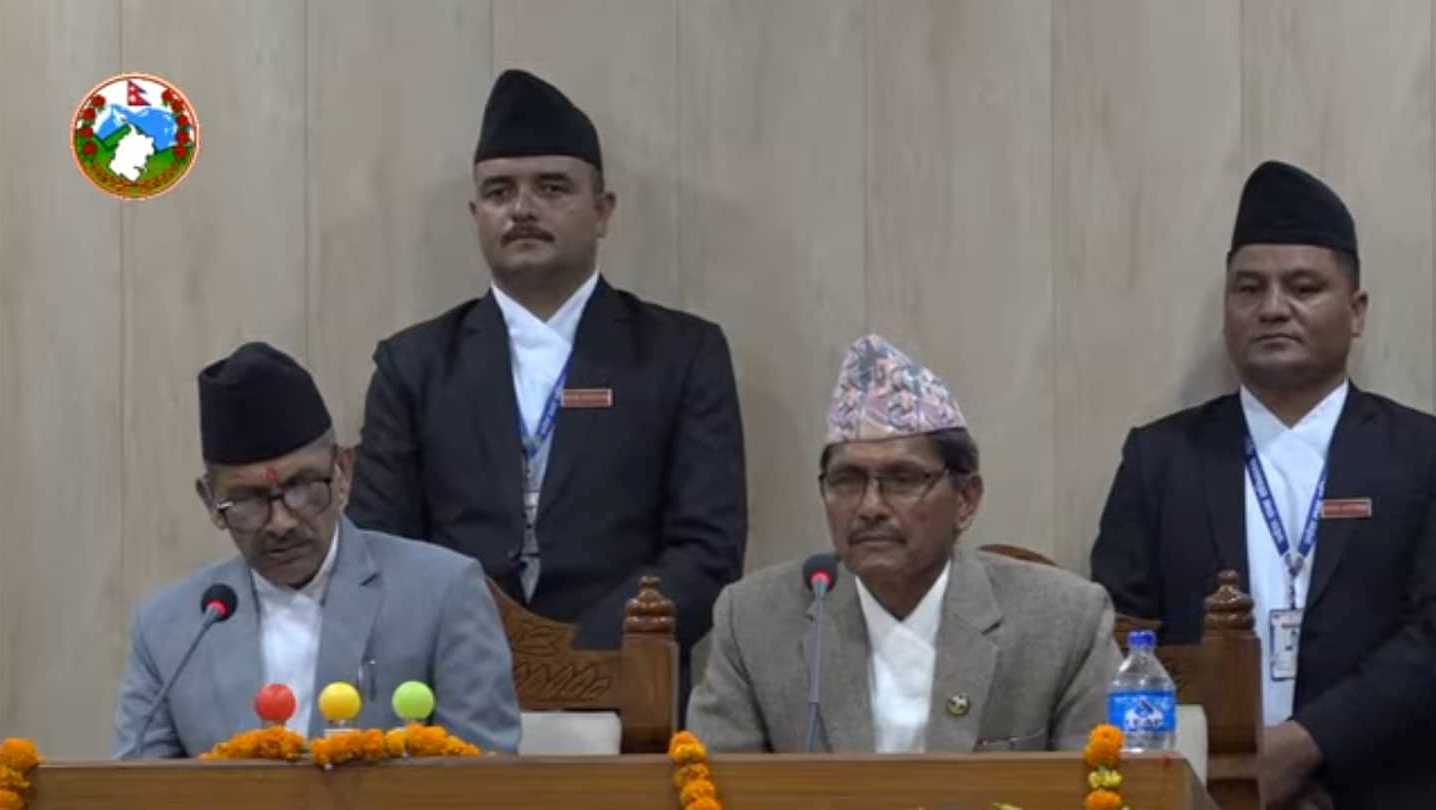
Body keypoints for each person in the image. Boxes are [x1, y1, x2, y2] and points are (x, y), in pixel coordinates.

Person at [348, 70, 747, 673]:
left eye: (552, 188)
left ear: (603, 210)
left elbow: (707, 551)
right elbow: (382, 546)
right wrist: (474, 649)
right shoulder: (416, 365)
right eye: (500, 191)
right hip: (451, 684)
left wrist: (574, 658)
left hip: (628, 683)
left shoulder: (681, 353)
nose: (523, 209)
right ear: (475, 213)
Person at [1091, 160, 1436, 809]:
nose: (1273, 308)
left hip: (1387, 788)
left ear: (1356, 312)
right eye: (1249, 288)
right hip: (1204, 791)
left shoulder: (1420, 454)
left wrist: (1305, 744)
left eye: (1303, 287)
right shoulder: (1161, 458)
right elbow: (1122, 632)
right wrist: (1218, 760)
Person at [688, 335, 1119, 752]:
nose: (870, 507)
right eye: (847, 480)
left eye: (903, 480)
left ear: (965, 500)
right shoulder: (753, 621)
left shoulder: (1063, 621)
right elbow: (710, 784)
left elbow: (1106, 783)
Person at [112, 342, 520, 757]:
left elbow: (487, 776)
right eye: (249, 500)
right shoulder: (171, 628)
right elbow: (139, 783)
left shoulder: (442, 593)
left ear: (343, 474)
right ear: (211, 502)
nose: (281, 523)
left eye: (302, 488)